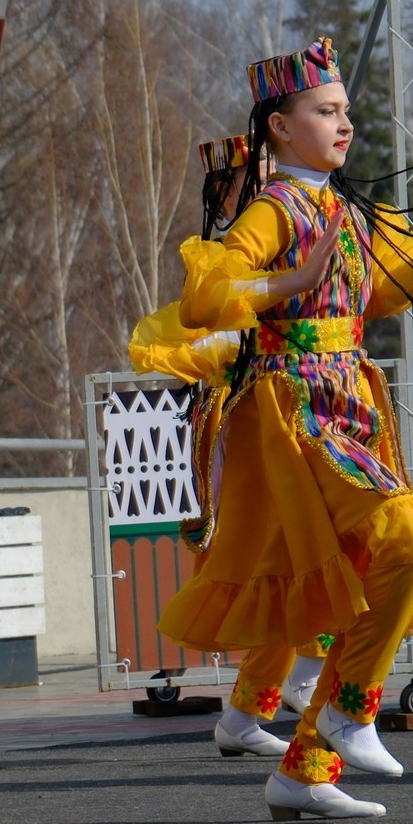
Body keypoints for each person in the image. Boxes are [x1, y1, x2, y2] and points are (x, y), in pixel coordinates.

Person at [163, 38, 413, 821]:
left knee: (364, 566)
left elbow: (362, 298)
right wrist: (287, 278)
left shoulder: (336, 207)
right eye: (325, 110)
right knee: (408, 536)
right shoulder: (274, 209)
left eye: (346, 111)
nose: (345, 124)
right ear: (280, 126)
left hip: (346, 404)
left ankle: (308, 762)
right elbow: (204, 299)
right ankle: (343, 710)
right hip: (296, 411)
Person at [128, 133, 325, 761]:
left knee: (302, 559)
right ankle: (293, 685)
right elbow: (177, 341)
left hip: (294, 413)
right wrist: (241, 344)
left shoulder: (297, 237)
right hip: (249, 425)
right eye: (251, 179)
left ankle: (252, 709)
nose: (266, 187)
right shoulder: (223, 261)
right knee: (293, 558)